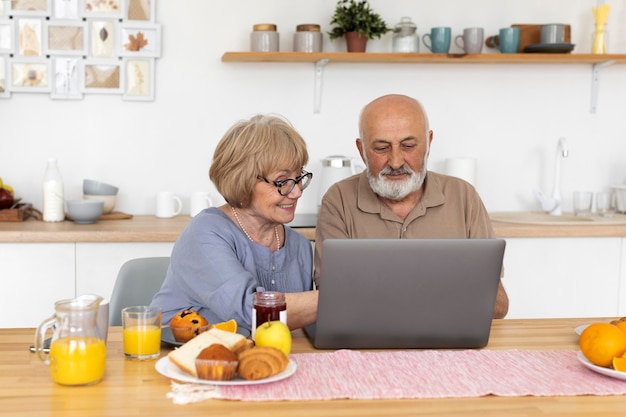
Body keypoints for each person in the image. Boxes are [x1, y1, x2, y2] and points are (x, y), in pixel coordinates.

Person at [314, 94, 509, 319]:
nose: (396, 162)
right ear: (361, 150)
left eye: (408, 146)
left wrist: (378, 290)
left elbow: (497, 304)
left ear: (428, 143)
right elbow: (333, 300)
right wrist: (447, 287)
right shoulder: (338, 200)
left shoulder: (464, 197)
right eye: (381, 148)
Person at [152, 114, 318, 332]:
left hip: (259, 360)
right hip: (178, 356)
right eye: (282, 181)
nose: (296, 192)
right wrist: (341, 298)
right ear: (244, 180)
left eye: (298, 178)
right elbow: (250, 314)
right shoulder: (205, 233)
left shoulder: (300, 246)